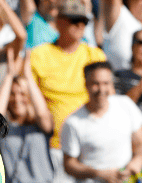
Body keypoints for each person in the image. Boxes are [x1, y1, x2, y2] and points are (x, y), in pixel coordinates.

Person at [61, 61, 142, 183]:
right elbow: (69, 165)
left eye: (106, 83)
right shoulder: (73, 122)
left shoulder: (125, 105)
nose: (101, 89)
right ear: (86, 84)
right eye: (95, 83)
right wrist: (100, 174)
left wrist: (133, 165)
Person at [0, 52, 57, 183]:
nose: (17, 98)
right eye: (12, 94)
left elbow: (43, 115)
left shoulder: (40, 124)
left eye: (22, 94)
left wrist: (28, 77)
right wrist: (8, 76)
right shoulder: (2, 128)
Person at [29, 11, 106, 147]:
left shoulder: (95, 55)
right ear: (59, 22)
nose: (80, 26)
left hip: (88, 141)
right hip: (49, 142)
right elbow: (27, 99)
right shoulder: (39, 55)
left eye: (84, 22)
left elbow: (108, 95)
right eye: (74, 21)